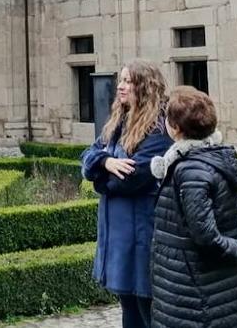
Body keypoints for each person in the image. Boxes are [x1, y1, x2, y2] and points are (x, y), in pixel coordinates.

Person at [149, 86, 237, 328]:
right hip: (223, 285)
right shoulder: (218, 158)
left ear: (175, 128)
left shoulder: (189, 169)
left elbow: (205, 236)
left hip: (191, 290)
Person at [81, 59, 174, 328]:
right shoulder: (117, 123)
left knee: (148, 308)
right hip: (118, 234)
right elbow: (87, 156)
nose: (120, 87)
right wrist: (104, 163)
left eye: (128, 81)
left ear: (145, 87)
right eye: (120, 81)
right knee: (128, 307)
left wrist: (99, 179)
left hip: (142, 232)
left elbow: (131, 179)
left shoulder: (158, 128)